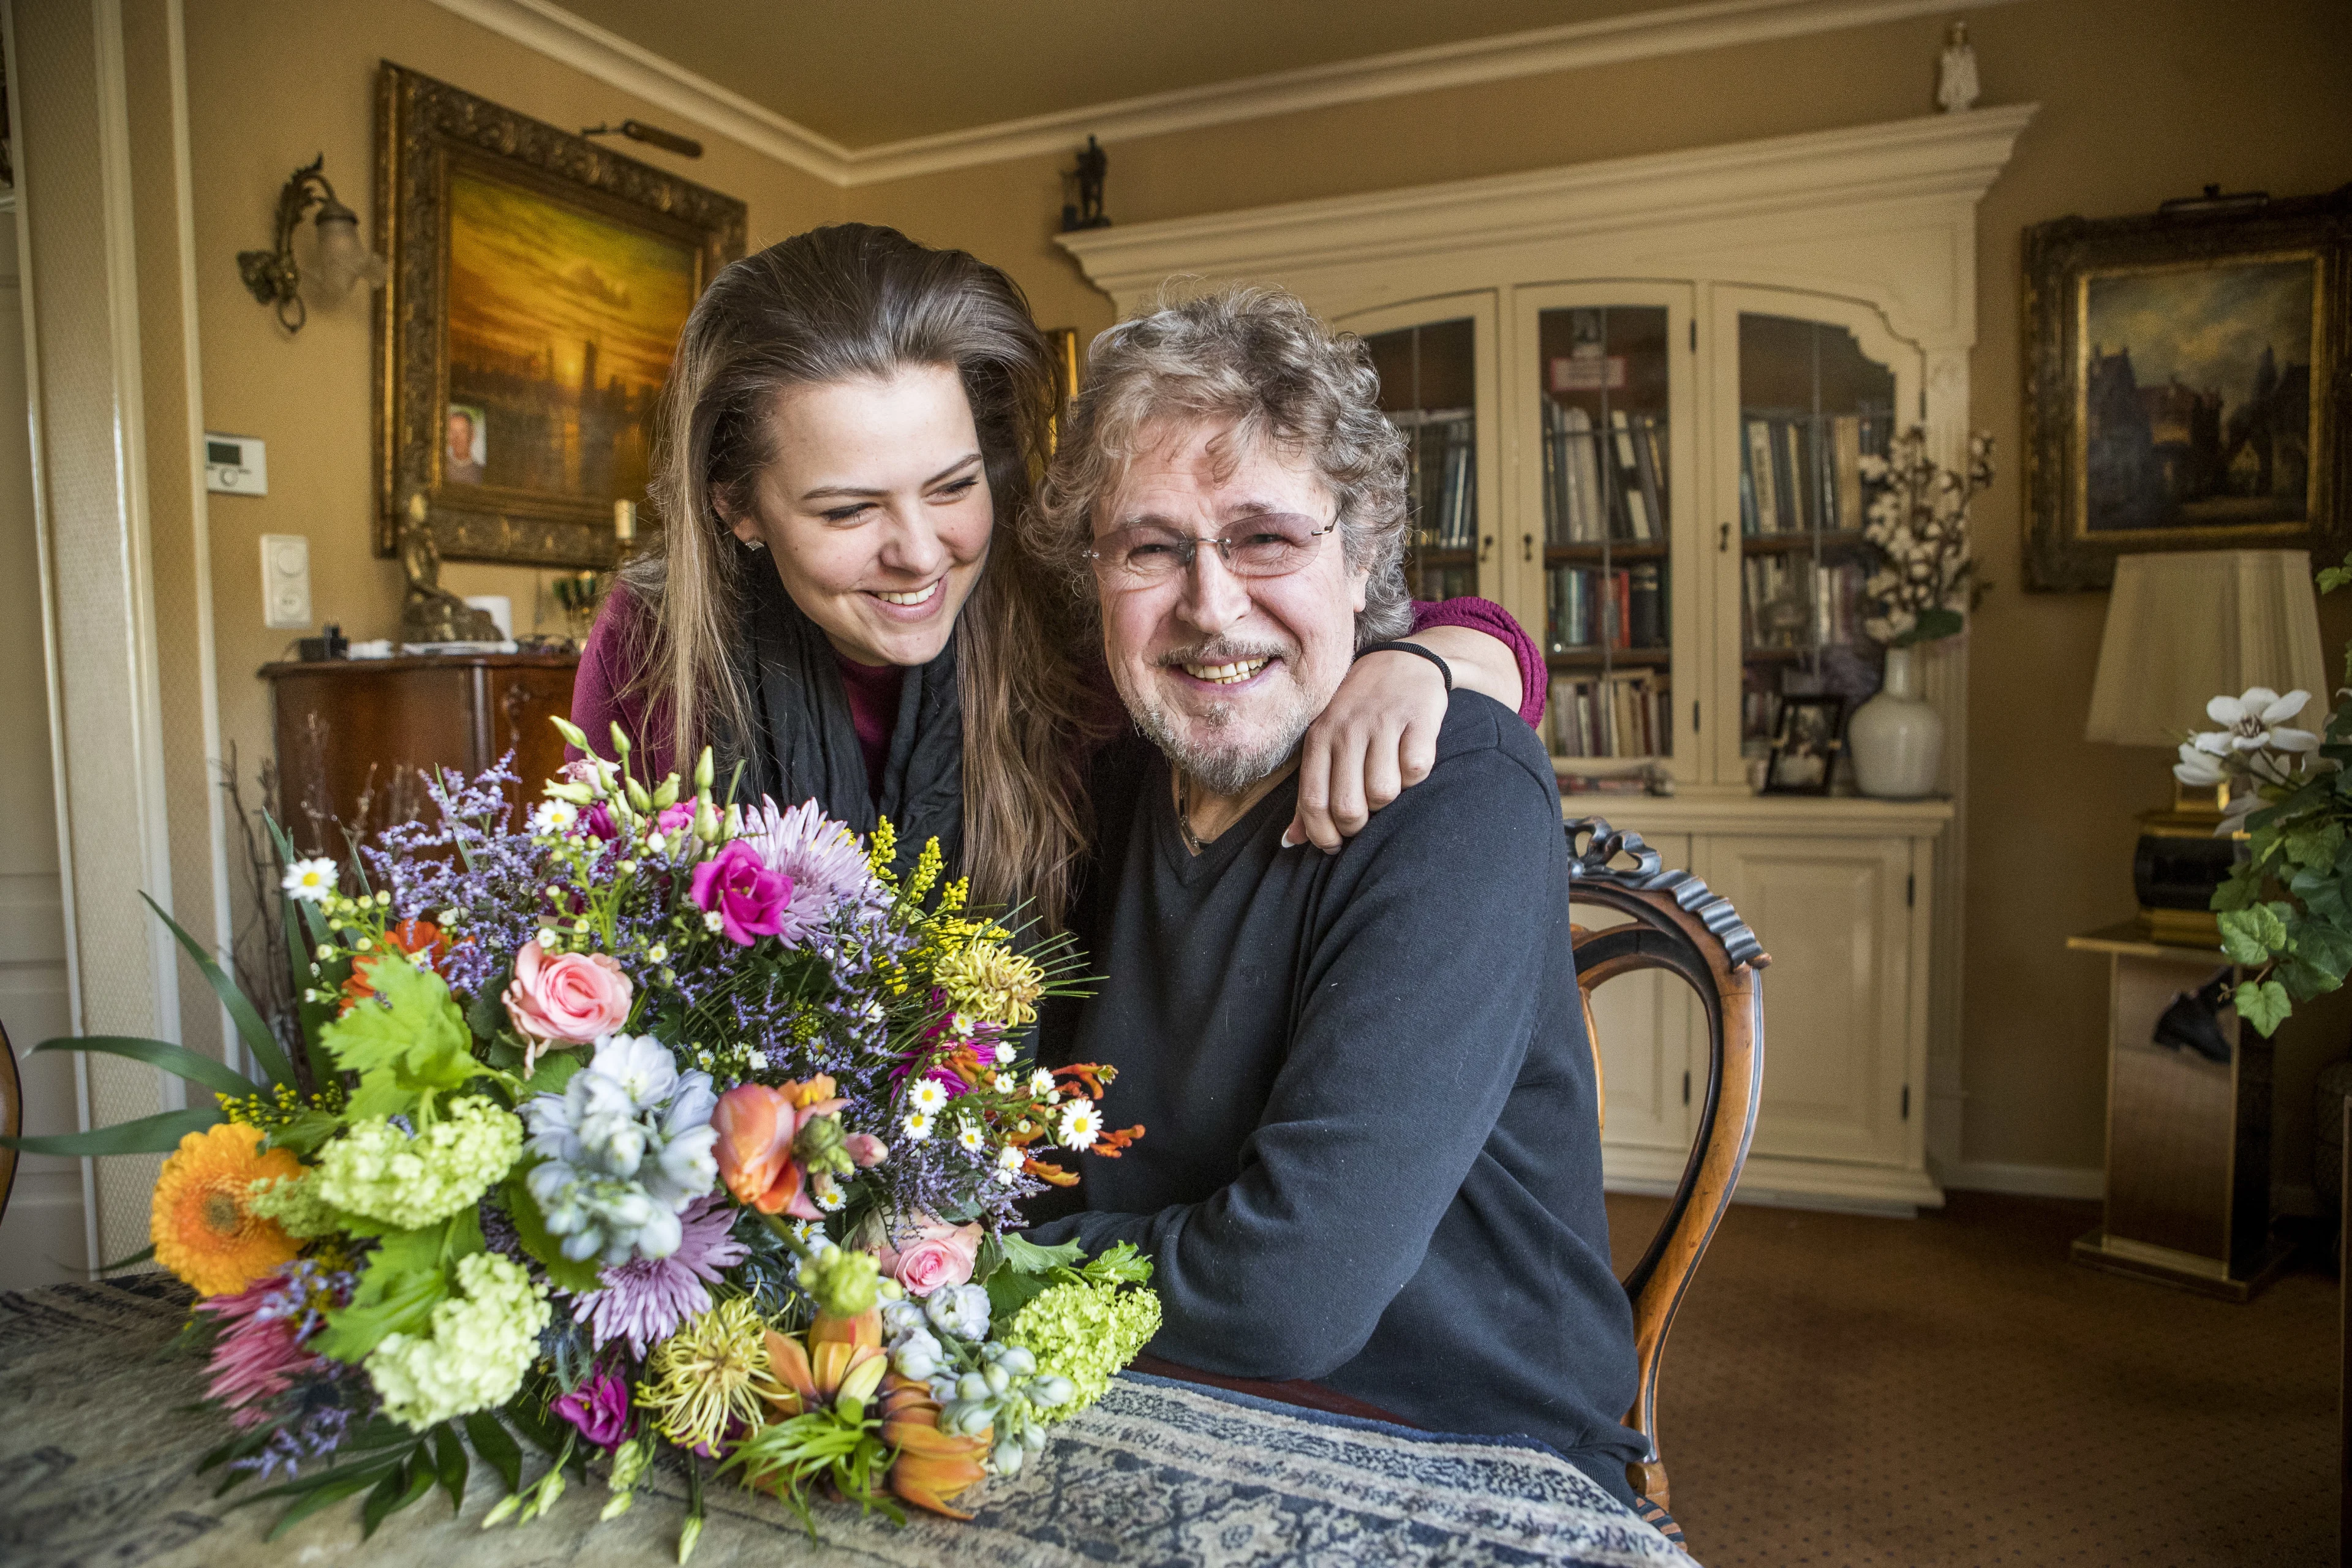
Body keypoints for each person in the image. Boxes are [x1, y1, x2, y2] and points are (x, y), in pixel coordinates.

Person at [1020, 285, 1645, 1509]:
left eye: (1266, 538)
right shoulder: (1102, 792)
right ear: (1095, 576)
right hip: (1146, 1402)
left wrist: (977, 1271)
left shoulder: (1454, 783)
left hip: (1455, 1455)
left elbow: (1286, 1293)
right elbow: (1033, 1142)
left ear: (1361, 560)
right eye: (1150, 548)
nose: (1210, 605)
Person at [570, 225, 1545, 927]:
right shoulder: (659, 644)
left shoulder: (1061, 606)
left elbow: (1340, 626)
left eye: (952, 487)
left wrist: (1427, 661)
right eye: (848, 511)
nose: (920, 552)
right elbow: (602, 938)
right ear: (735, 506)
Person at [445, 407, 485, 484]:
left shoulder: (481, 472)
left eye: (462, 432)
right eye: (453, 432)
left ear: (472, 435)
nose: (457, 437)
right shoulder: (441, 469)